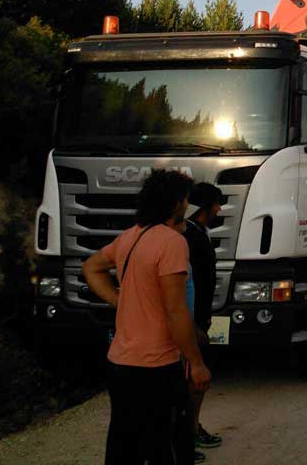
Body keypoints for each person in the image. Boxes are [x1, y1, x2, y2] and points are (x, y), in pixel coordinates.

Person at [83, 169, 211, 465]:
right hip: (157, 369)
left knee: (124, 446)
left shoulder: (130, 236)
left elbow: (91, 267)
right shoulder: (172, 243)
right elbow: (176, 312)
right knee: (169, 448)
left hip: (120, 364)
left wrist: (119, 300)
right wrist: (196, 362)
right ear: (176, 203)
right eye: (186, 200)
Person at [184, 181, 226, 451]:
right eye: (216, 204)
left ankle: (191, 429)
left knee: (196, 381)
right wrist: (194, 324)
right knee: (192, 381)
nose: (220, 209)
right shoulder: (190, 237)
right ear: (206, 207)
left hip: (198, 320)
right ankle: (185, 437)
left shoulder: (198, 232)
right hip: (191, 323)